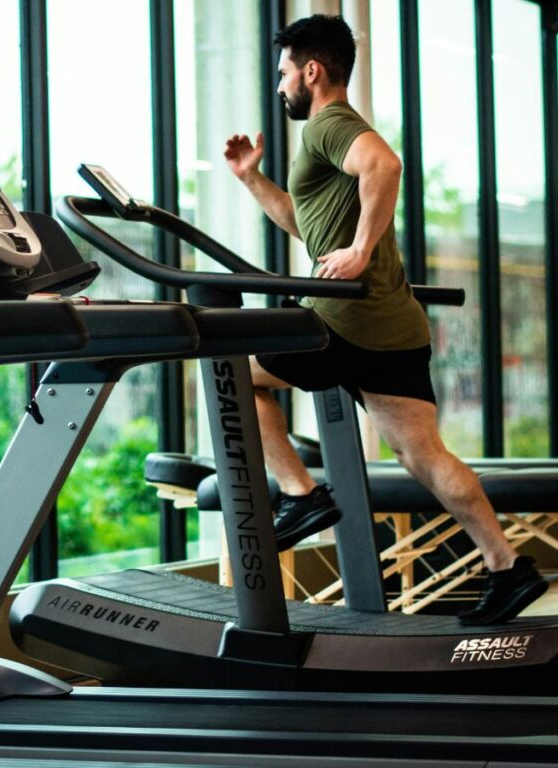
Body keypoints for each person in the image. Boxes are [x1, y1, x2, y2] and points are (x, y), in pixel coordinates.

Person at [223, 13, 546, 625]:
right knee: (424, 455)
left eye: (284, 73)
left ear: (311, 71)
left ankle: (301, 496)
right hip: (392, 324)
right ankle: (507, 566)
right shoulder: (330, 135)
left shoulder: (330, 125)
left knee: (231, 371)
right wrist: (252, 179)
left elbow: (386, 167)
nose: (280, 85)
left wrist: (361, 251)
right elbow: (307, 224)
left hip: (342, 320)